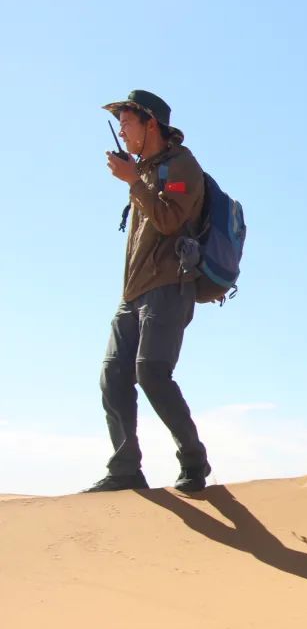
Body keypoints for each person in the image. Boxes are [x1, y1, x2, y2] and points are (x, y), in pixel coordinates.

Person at [86, 90, 210, 493]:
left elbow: (170, 220)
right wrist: (136, 178)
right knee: (113, 374)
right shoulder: (144, 171)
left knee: (152, 372)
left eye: (127, 122)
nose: (122, 131)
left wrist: (133, 180)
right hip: (133, 293)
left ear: (150, 123)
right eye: (119, 123)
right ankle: (125, 469)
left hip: (170, 286)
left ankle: (193, 461)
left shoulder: (182, 166)